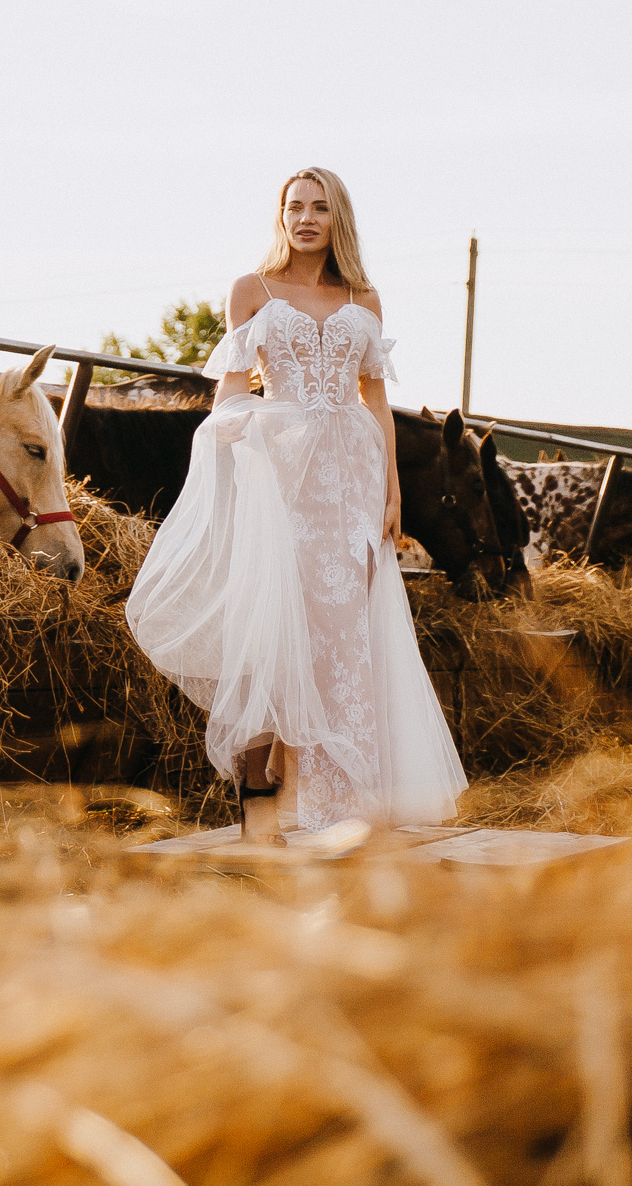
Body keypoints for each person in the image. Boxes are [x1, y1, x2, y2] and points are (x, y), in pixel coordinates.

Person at [124, 167, 466, 842]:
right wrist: (228, 434)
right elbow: (231, 386)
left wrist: (392, 489)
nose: (305, 218)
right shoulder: (252, 290)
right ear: (281, 217)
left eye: (319, 207)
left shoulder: (364, 297)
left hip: (351, 482)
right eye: (294, 207)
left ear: (339, 219)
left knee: (345, 636)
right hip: (280, 478)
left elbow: (375, 399)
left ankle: (342, 806)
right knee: (272, 629)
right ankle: (261, 808)